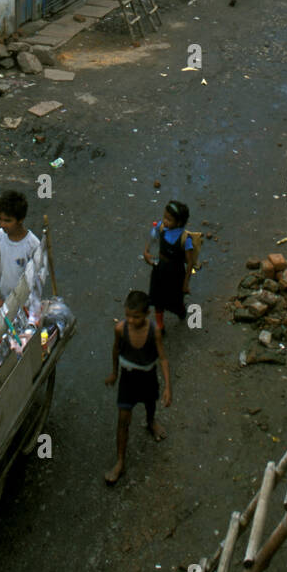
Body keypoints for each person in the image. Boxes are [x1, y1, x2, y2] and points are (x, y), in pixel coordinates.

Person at [104, 290, 171, 486]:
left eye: (137, 317)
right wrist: (115, 373)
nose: (131, 321)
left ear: (147, 314)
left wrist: (168, 387)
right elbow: (115, 350)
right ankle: (120, 462)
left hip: (148, 378)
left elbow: (163, 358)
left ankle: (151, 421)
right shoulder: (120, 329)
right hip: (128, 380)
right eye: (128, 316)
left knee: (150, 403)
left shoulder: (154, 331)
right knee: (123, 420)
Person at [0, 188, 39, 315]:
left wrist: (7, 305)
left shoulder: (33, 245)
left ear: (20, 219)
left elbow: (34, 284)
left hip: (24, 306)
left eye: (7, 220)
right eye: (0, 219)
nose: (2, 224)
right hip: (3, 298)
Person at [143, 200, 194, 334]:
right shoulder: (161, 228)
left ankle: (180, 310)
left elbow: (190, 262)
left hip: (176, 274)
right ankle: (160, 324)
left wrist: (186, 283)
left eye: (169, 219)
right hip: (160, 269)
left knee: (175, 299)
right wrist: (146, 252)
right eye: (164, 217)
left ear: (179, 222)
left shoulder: (185, 239)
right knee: (157, 297)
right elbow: (152, 239)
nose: (165, 221)